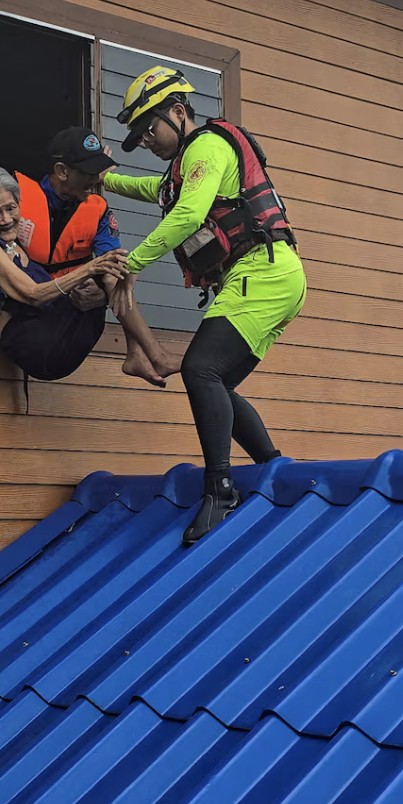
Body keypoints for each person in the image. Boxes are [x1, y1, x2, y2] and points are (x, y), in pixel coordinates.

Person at [105, 66, 306, 544]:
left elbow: (191, 214)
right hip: (269, 277)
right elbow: (153, 190)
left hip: (263, 271)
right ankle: (274, 470)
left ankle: (220, 489)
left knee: (200, 370)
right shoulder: (184, 169)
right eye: (139, 135)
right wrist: (105, 179)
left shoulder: (208, 148)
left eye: (149, 129)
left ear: (178, 112)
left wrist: (133, 262)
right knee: (218, 386)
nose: (146, 140)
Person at [0, 126, 177, 386]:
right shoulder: (18, 201)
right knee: (106, 275)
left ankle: (140, 353)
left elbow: (113, 267)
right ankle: (148, 354)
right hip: (35, 324)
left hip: (66, 310)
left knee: (114, 277)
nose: (96, 179)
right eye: (88, 172)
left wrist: (101, 295)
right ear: (62, 171)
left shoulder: (96, 210)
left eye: (96, 170)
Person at [0, 165, 128, 381]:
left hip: (54, 334)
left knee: (118, 273)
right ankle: (142, 352)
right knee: (104, 272)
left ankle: (138, 349)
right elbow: (33, 294)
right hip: (35, 345)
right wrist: (90, 267)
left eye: (11, 208)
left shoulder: (17, 242)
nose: (6, 219)